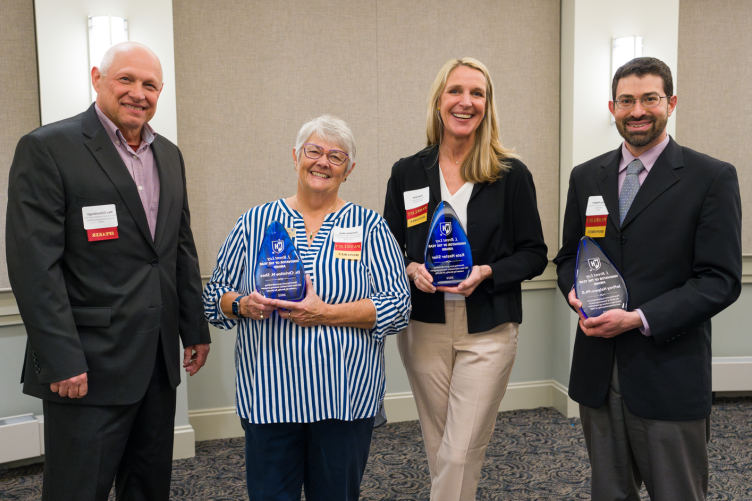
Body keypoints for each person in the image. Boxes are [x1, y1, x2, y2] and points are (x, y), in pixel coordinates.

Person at [5, 41, 211, 500]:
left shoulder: (170, 155)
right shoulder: (48, 148)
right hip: (86, 367)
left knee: (147, 487)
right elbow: (34, 264)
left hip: (157, 364)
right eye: (127, 80)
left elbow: (178, 249)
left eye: (150, 85)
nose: (139, 93)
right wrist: (60, 357)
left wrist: (193, 328)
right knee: (78, 490)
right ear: (97, 78)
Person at [554, 57, 741, 500]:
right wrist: (574, 294)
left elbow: (720, 279)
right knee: (610, 492)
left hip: (668, 372)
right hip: (598, 371)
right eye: (626, 101)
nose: (637, 111)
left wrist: (638, 317)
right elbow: (567, 258)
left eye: (649, 99)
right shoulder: (586, 177)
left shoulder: (710, 177)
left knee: (676, 492)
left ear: (670, 103)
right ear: (612, 107)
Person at [202, 115, 410, 501]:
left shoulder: (370, 227)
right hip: (269, 397)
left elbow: (398, 306)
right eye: (314, 151)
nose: (323, 162)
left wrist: (325, 313)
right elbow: (214, 296)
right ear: (296, 156)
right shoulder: (255, 222)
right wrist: (243, 304)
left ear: (348, 170)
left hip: (344, 399)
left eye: (336, 156)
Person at [383, 58, 548, 501]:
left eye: (477, 93)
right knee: (441, 446)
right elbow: (389, 247)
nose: (466, 101)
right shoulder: (407, 172)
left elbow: (535, 254)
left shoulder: (511, 174)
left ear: (487, 105)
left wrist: (488, 271)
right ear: (439, 101)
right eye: (456, 91)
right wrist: (408, 267)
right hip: (423, 327)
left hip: (488, 328)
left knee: (459, 452)